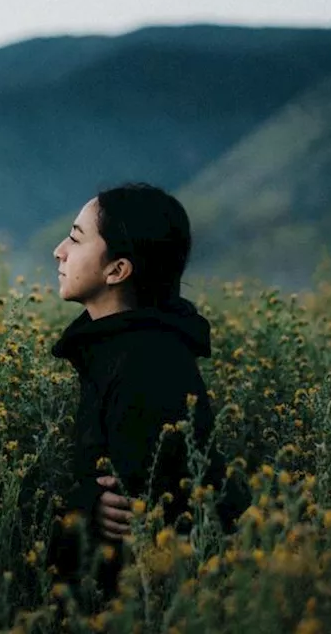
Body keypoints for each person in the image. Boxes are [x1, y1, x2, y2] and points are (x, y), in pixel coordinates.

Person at [44, 183, 244, 606]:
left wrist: (84, 509)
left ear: (117, 270)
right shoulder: (120, 348)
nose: (59, 251)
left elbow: (139, 513)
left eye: (76, 239)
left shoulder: (146, 364)